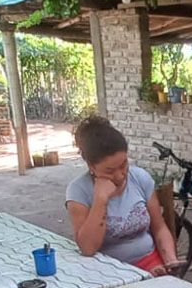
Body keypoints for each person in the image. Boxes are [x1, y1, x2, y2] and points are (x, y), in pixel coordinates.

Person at [66, 116, 182, 276]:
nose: (120, 176)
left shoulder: (140, 178)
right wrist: (100, 200)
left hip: (150, 262)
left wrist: (170, 261)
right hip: (106, 270)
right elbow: (87, 248)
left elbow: (159, 226)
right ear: (91, 166)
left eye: (123, 165)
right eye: (109, 171)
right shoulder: (78, 191)